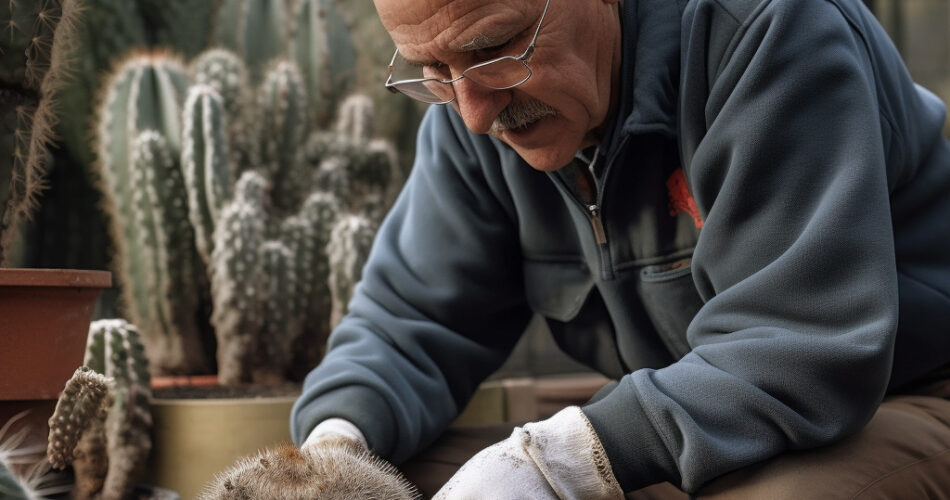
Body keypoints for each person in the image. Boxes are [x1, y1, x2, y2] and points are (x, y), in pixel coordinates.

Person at [291, 0, 950, 497]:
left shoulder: (768, 29)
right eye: (434, 71)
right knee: (388, 481)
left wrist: (568, 460)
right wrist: (334, 449)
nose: (474, 114)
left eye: (497, 48)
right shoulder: (475, 112)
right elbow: (411, 322)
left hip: (893, 399)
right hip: (679, 424)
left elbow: (802, 345)